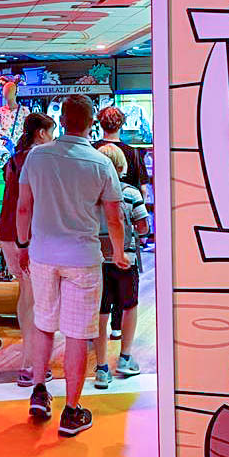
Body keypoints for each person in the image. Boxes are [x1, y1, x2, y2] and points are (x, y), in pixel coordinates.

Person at [17, 94, 126, 437]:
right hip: (82, 257)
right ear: (91, 123)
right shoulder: (101, 163)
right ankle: (72, 410)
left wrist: (23, 244)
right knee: (78, 334)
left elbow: (24, 207)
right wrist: (119, 253)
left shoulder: (37, 156)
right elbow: (114, 218)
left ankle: (39, 390)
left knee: (43, 323)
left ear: (62, 120)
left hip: (43, 253)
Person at [0, 112, 56, 387]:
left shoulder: (14, 159)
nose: (53, 138)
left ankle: (29, 360)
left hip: (8, 232)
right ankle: (31, 365)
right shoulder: (40, 158)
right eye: (51, 132)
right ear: (41, 133)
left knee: (26, 297)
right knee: (36, 301)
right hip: (28, 236)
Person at [93, 143, 150, 384]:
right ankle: (125, 357)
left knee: (100, 312)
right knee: (129, 305)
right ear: (121, 166)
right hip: (126, 258)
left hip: (96, 259)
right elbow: (143, 226)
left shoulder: (89, 194)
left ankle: (101, 367)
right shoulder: (131, 193)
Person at [92, 105, 149, 339]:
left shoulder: (92, 149)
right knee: (124, 274)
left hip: (95, 227)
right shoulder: (133, 153)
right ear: (122, 124)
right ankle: (117, 327)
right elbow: (142, 188)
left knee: (100, 280)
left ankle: (96, 331)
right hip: (125, 218)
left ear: (99, 123)